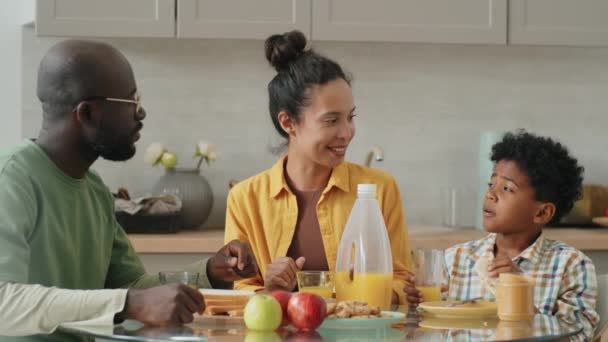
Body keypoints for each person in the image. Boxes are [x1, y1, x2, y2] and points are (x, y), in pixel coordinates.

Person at [0, 40, 258, 341]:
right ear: (87, 114)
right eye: (131, 101)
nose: (141, 113)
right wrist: (127, 305)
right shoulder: (11, 180)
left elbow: (132, 288)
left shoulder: (95, 190)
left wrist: (211, 272)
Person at [224, 30, 412, 304]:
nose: (347, 132)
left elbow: (401, 279)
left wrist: (367, 288)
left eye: (350, 117)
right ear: (289, 123)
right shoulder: (245, 198)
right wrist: (270, 290)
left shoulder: (380, 189)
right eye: (331, 120)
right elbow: (238, 290)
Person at [405, 130, 599, 341]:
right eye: (491, 184)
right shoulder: (455, 259)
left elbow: (578, 338)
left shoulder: (571, 265)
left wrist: (519, 293)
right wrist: (418, 304)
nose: (490, 194)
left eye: (507, 188)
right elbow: (431, 332)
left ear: (542, 212)